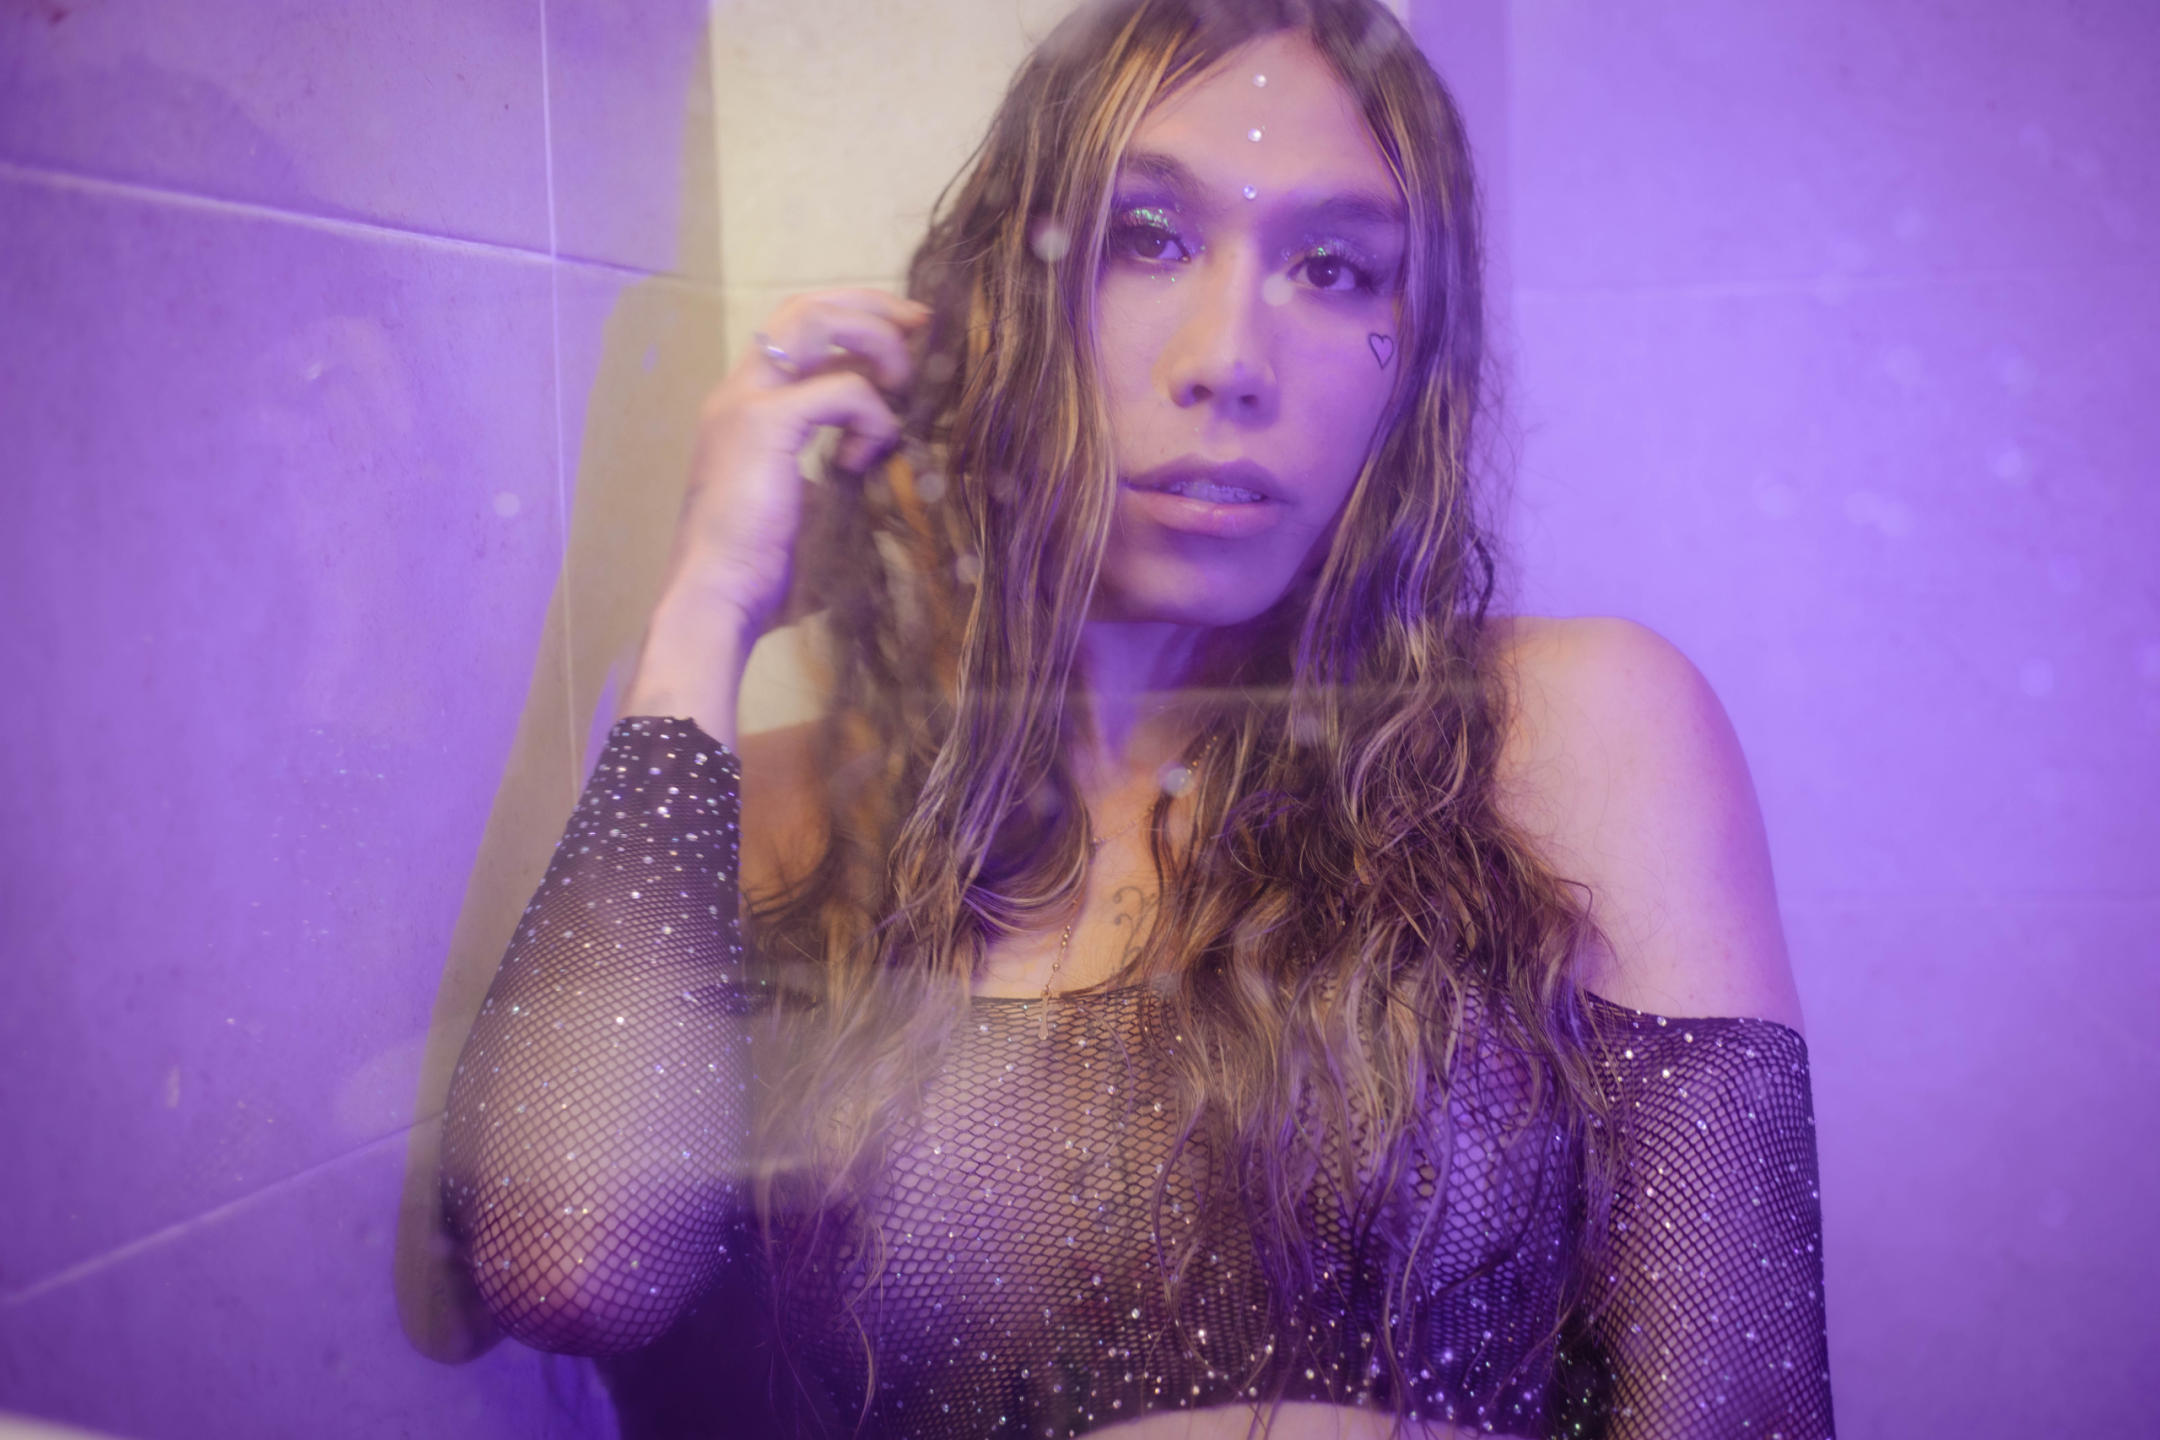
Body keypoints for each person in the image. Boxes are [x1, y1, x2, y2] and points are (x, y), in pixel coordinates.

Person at [436, 0, 1834, 1436]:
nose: (1230, 359)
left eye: (1334, 268)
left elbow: (1744, 1416)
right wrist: (706, 609)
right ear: (996, 309)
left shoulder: (1570, 736)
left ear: (1411, 358)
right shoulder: (781, 819)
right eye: (1145, 238)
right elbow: (568, 1268)